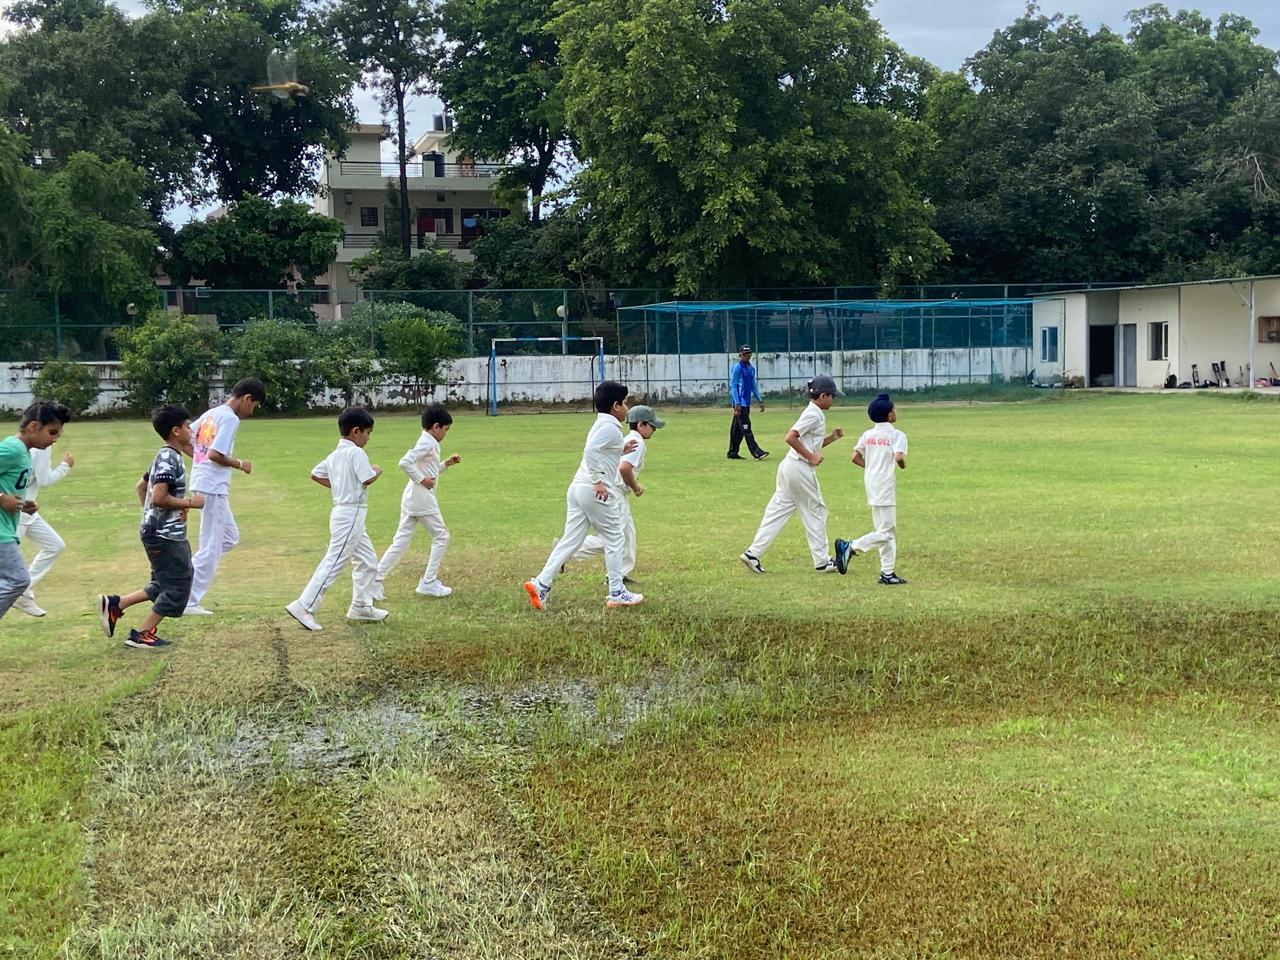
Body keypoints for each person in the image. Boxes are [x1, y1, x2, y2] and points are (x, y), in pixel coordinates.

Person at [523, 381, 644, 610]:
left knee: (572, 540)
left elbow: (599, 448)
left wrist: (621, 449)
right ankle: (617, 592)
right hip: (592, 489)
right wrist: (598, 481)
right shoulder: (609, 427)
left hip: (578, 488)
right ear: (616, 406)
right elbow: (590, 451)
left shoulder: (602, 424)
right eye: (626, 403)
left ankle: (540, 583)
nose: (627, 408)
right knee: (616, 538)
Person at [97, 405, 203, 648]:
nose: (192, 430)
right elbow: (158, 497)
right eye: (188, 426)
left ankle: (116, 604)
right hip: (165, 536)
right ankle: (143, 634)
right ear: (176, 431)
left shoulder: (166, 455)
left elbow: (141, 487)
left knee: (163, 583)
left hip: (160, 532)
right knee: (179, 584)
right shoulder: (169, 458)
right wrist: (190, 503)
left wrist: (155, 517)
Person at [285, 408, 386, 631]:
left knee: (368, 561)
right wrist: (377, 470)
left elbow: (315, 473)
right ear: (355, 431)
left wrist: (340, 486)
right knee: (334, 561)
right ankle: (304, 605)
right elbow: (367, 478)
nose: (368, 438)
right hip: (349, 514)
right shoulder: (355, 452)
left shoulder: (334, 455)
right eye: (367, 433)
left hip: (348, 514)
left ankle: (360, 606)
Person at [739, 375, 844, 574]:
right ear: (823, 396)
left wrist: (831, 438)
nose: (834, 400)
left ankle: (753, 554)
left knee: (777, 512)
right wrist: (811, 457)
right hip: (799, 469)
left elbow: (808, 443)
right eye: (832, 396)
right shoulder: (814, 414)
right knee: (817, 512)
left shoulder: (814, 413)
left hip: (789, 467)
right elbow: (791, 437)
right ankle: (822, 561)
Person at [185, 378, 265, 616]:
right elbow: (216, 454)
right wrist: (241, 464)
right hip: (212, 486)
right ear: (247, 398)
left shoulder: (213, 413)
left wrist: (198, 461)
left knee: (228, 537)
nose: (252, 411)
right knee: (210, 545)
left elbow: (189, 438)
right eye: (255, 405)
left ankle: (184, 580)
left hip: (206, 483)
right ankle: (188, 599)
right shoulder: (230, 417)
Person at [572, 403, 665, 584]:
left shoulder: (627, 438)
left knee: (628, 534)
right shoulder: (636, 442)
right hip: (616, 492)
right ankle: (570, 550)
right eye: (652, 426)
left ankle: (620, 574)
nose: (654, 429)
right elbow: (624, 468)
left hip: (617, 491)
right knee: (615, 537)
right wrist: (636, 487)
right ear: (640, 425)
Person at [375, 404, 461, 599]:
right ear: (436, 426)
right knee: (441, 536)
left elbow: (428, 471)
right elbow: (404, 462)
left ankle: (375, 579)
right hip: (421, 499)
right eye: (446, 430)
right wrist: (421, 480)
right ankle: (429, 582)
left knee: (400, 541)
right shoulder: (427, 443)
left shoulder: (428, 441)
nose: (445, 434)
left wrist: (446, 464)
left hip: (412, 499)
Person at [1, 403, 67, 620]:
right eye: (53, 432)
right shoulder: (12, 448)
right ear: (33, 426)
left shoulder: (25, 452)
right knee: (19, 580)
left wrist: (24, 504)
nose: (55, 439)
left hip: (8, 528)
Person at [834, 393, 909, 585]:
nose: (895, 412)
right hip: (885, 484)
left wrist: (872, 468)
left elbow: (854, 457)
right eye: (894, 409)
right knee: (887, 532)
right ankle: (850, 547)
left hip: (871, 482)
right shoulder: (896, 435)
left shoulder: (868, 435)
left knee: (884, 529)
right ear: (889, 415)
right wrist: (902, 466)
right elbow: (899, 457)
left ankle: (887, 573)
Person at [728, 345, 768, 461]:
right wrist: (737, 403)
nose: (747, 356)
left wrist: (759, 399)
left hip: (747, 403)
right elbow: (734, 386)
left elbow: (753, 386)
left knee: (737, 429)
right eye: (745, 354)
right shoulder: (737, 368)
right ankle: (757, 452)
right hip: (740, 403)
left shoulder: (751, 369)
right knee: (746, 428)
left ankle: (732, 453)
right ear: (740, 355)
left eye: (749, 354)